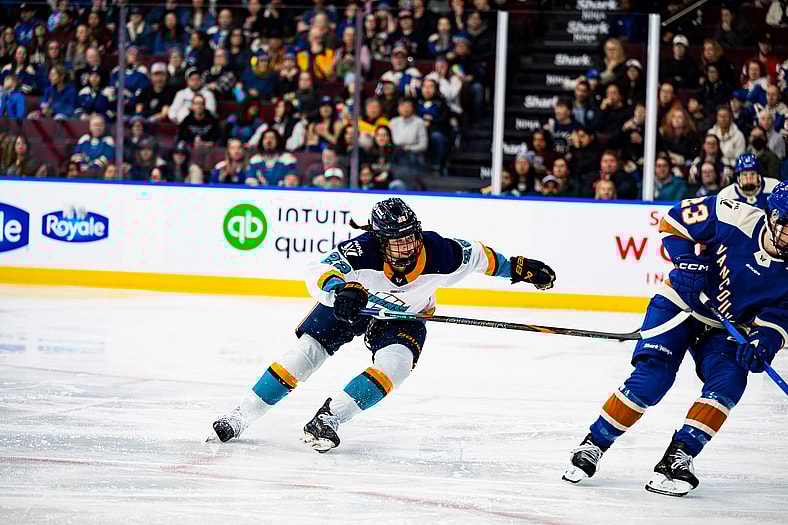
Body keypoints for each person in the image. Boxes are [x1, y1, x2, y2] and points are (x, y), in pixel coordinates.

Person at [209, 198, 558, 451]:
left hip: (404, 316)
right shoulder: (362, 251)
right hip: (354, 305)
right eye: (397, 239)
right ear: (379, 239)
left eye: (410, 236)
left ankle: (329, 419)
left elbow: (483, 257)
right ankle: (241, 416)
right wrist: (341, 289)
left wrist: (522, 269)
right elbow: (317, 271)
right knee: (305, 355)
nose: (407, 246)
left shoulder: (442, 252)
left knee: (397, 365)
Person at [563, 179, 788, 497]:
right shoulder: (732, 214)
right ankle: (593, 444)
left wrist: (765, 342)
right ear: (772, 216)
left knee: (729, 383)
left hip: (728, 328)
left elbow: (780, 318)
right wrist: (686, 260)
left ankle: (679, 456)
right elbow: (674, 220)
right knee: (652, 378)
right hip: (680, 304)